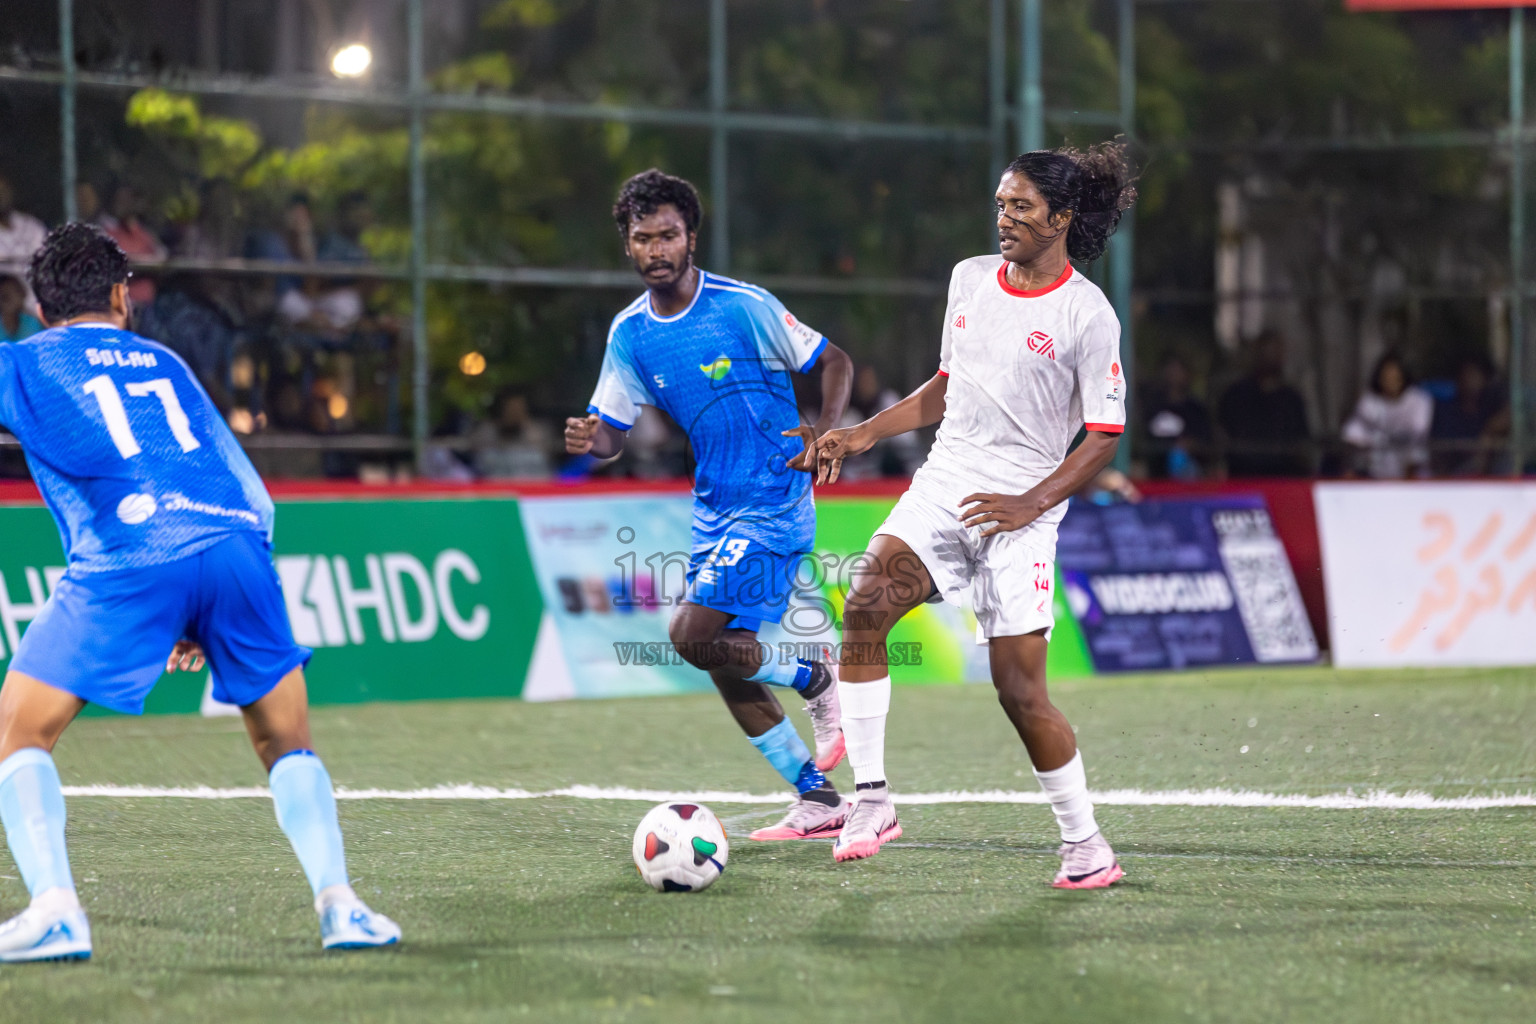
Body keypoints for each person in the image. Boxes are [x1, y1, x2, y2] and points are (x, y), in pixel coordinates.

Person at [0, 224, 399, 961]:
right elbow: (255, 494)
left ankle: (55, 909)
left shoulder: (23, 362)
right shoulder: (165, 361)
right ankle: (341, 905)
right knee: (286, 743)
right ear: (123, 296)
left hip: (130, 555)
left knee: (19, 731)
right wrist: (207, 604)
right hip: (236, 548)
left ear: (41, 303)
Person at [813, 142, 1134, 887]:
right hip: (946, 483)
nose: (1004, 218)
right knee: (865, 603)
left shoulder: (1087, 314)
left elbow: (1105, 436)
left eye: (1021, 206)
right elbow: (947, 385)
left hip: (1021, 510)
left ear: (1060, 217)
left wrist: (1031, 502)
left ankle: (1086, 845)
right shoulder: (970, 280)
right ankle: (872, 801)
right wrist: (863, 432)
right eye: (1000, 204)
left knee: (1019, 693)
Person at [565, 169, 856, 842]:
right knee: (723, 660)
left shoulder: (742, 305)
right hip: (712, 511)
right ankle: (818, 800)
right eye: (643, 239)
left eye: (669, 235)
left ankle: (814, 675)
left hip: (775, 500)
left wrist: (827, 431)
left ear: (691, 237)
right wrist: (592, 437)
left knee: (690, 638)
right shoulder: (630, 334)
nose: (656, 249)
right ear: (628, 246)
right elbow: (610, 433)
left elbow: (834, 360)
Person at [1216, 330, 1312, 477]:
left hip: (1284, 478)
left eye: (1276, 351)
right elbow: (1223, 434)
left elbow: (1300, 440)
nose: (1271, 356)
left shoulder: (1292, 398)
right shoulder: (1236, 394)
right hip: (1243, 476)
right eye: (1266, 351)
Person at [1342, 351, 1432, 479]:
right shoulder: (1369, 402)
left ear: (1403, 377)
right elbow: (1352, 435)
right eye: (1386, 377)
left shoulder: (1419, 401)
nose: (1390, 381)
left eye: (1395, 377)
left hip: (1413, 477)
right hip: (1376, 476)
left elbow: (1418, 435)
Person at [1430, 358, 1504, 477]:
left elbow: (1510, 415)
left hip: (1487, 476)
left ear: (1484, 380)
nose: (1469, 380)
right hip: (1454, 474)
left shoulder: (1489, 407)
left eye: (1474, 375)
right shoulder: (1446, 411)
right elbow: (1441, 450)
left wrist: (1489, 429)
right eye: (1466, 375)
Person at [1141, 354, 1211, 479]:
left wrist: (1188, 445)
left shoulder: (1195, 409)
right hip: (1156, 473)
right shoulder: (1153, 406)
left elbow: (1205, 441)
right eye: (1170, 369)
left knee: (1178, 458)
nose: (1173, 374)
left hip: (1187, 474)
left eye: (1178, 370)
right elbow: (1144, 439)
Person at [100, 183, 168, 308]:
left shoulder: (143, 232)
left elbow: (162, 256)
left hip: (147, 304)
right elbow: (117, 260)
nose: (123, 204)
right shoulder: (106, 231)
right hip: (119, 305)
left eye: (127, 200)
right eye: (120, 200)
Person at [0, 275, 42, 342]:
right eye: (3, 295)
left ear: (23, 294)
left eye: (13, 292)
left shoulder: (33, 323)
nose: (5, 300)